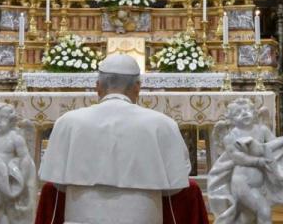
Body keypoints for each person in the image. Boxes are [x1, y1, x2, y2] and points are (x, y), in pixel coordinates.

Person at [39, 54, 191, 224]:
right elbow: (176, 183)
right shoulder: (162, 124)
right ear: (137, 87)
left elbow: (56, 182)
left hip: (82, 215)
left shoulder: (68, 122)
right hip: (142, 216)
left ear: (97, 86)